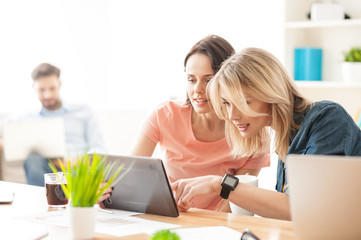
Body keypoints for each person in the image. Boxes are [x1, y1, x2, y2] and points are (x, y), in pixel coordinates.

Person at [171, 47, 361, 220]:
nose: (232, 115)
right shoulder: (286, 137)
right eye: (227, 103)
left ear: (270, 92)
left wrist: (220, 184)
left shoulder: (327, 118)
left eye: (243, 102)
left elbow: (302, 209)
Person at [108, 36, 269, 211]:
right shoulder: (164, 115)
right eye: (191, 80)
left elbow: (238, 193)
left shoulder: (250, 130)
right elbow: (129, 172)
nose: (197, 90)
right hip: (169, 215)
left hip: (216, 224)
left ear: (229, 79)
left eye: (208, 80)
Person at [2, 63, 105, 186]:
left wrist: (76, 161)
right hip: (46, 171)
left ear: (59, 85)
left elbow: (99, 148)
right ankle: (41, 202)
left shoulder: (83, 111)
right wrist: (6, 143)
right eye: (41, 89)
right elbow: (5, 129)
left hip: (77, 167)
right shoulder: (27, 117)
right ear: (34, 88)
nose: (47, 95)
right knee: (33, 160)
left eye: (52, 88)